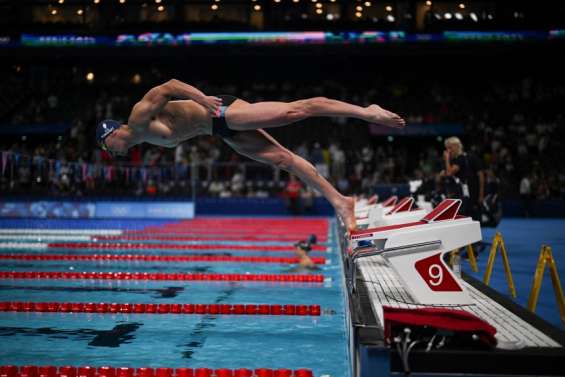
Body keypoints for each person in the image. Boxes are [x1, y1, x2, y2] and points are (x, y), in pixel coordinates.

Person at [96, 79, 406, 230]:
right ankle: (341, 202)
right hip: (219, 130)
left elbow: (169, 85)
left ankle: (367, 112)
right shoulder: (142, 137)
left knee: (294, 111)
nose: (112, 154)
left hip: (221, 113)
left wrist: (202, 98)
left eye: (109, 148)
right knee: (284, 159)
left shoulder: (137, 119)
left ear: (111, 135)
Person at [442, 137, 484, 221]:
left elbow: (481, 175)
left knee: (469, 218)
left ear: (457, 146)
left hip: (468, 195)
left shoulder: (461, 159)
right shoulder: (460, 159)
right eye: (447, 148)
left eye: (450, 147)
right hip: (464, 195)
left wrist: (446, 159)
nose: (448, 151)